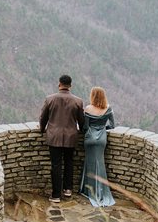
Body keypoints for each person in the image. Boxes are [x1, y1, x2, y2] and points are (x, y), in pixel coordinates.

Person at [39, 75, 85, 203]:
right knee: (69, 162)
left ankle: (56, 195)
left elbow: (43, 118)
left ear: (59, 84)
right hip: (71, 136)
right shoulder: (78, 101)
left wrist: (42, 129)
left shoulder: (50, 99)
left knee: (56, 165)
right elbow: (82, 121)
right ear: (70, 85)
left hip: (54, 136)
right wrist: (81, 130)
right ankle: (68, 189)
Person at [79, 86, 115, 207]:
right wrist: (103, 128)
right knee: (100, 163)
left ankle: (88, 190)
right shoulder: (108, 108)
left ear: (93, 96)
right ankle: (101, 192)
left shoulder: (88, 108)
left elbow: (85, 127)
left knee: (90, 163)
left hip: (89, 138)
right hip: (101, 139)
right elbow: (112, 125)